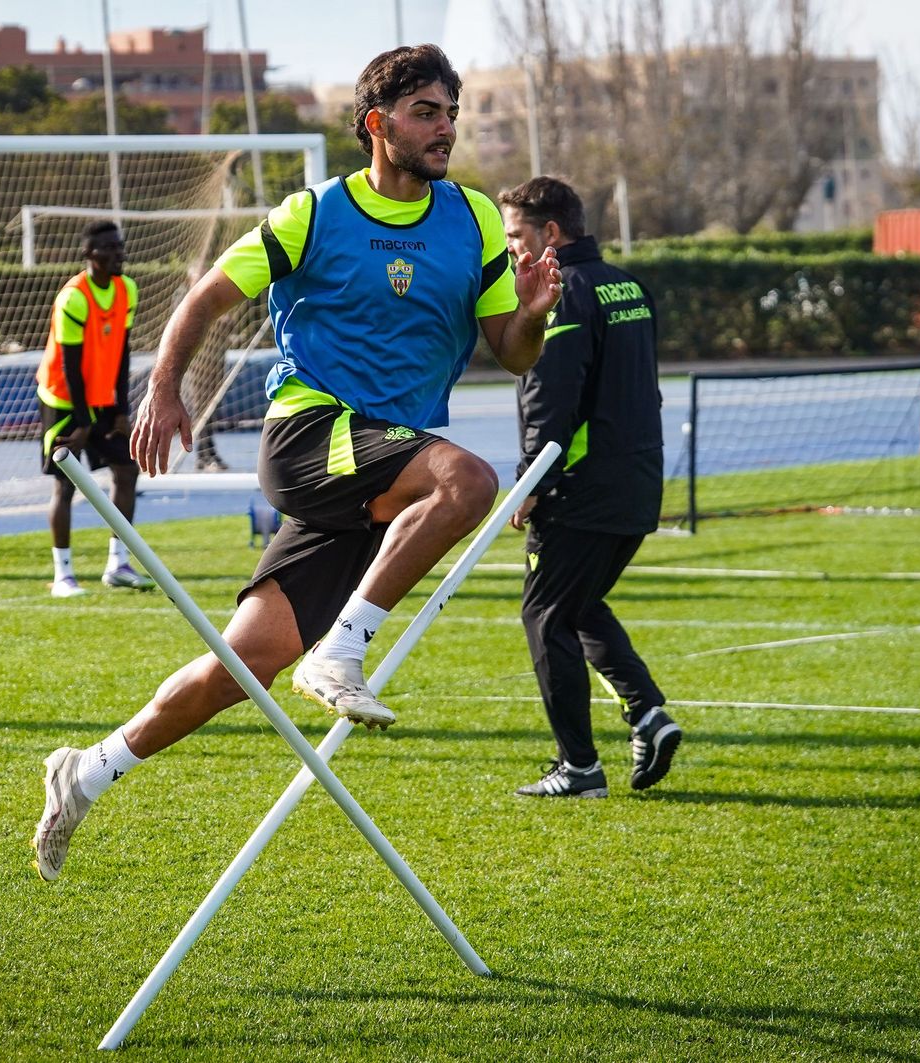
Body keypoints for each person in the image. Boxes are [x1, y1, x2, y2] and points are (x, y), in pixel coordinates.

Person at [31, 44, 563, 881]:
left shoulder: (476, 220)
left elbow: (514, 351)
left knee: (240, 665)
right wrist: (164, 387)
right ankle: (342, 651)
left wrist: (532, 314)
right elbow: (206, 294)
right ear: (375, 125)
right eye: (428, 111)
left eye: (452, 111)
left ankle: (89, 769)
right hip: (312, 435)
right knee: (470, 480)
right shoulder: (312, 214)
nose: (447, 128)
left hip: (384, 473)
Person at [497, 175, 681, 798]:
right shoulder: (628, 284)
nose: (512, 250)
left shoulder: (565, 292)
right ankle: (647, 712)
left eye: (517, 236)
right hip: (637, 481)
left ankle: (578, 767)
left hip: (581, 487)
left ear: (551, 232)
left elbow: (553, 400)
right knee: (577, 605)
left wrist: (530, 482)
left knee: (545, 613)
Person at [36, 220, 156, 597]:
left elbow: (122, 351)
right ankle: (63, 575)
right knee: (65, 485)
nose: (119, 254)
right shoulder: (74, 297)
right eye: (110, 248)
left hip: (103, 398)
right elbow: (71, 368)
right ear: (90, 255)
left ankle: (118, 564)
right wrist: (84, 423)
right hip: (64, 401)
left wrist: (121, 409)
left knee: (126, 471)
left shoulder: (127, 289)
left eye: (121, 246)